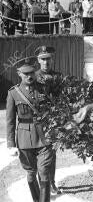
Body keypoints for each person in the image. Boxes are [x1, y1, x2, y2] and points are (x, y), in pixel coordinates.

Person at [6, 57, 53, 202]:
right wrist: (11, 144)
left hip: (44, 136)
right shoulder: (13, 93)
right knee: (31, 173)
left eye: (32, 72)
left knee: (44, 171)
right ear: (19, 73)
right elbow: (10, 120)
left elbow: (53, 111)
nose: (29, 76)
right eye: (25, 73)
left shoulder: (44, 88)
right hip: (24, 139)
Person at [35, 46, 62, 195]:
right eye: (43, 59)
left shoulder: (58, 76)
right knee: (39, 154)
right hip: (37, 122)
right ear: (38, 60)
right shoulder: (33, 77)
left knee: (51, 154)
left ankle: (51, 182)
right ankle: (42, 184)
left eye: (48, 58)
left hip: (53, 121)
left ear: (52, 59)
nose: (46, 62)